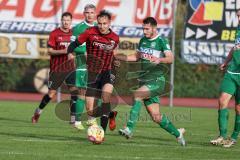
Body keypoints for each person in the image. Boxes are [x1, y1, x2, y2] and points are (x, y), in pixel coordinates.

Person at [115, 17, 186, 146]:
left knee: (137, 94)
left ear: (154, 28)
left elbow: (170, 58)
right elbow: (136, 57)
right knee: (156, 117)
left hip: (157, 80)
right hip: (145, 82)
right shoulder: (143, 40)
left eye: (147, 29)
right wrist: (117, 56)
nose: (144, 31)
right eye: (143, 28)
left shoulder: (161, 41)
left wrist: (160, 60)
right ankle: (178, 133)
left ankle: (129, 128)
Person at [67, 10, 119, 132]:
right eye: (100, 23)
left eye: (104, 23)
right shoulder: (90, 33)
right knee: (90, 111)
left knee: (105, 98)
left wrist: (116, 61)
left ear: (109, 23)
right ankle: (110, 114)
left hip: (107, 72)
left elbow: (114, 53)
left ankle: (102, 132)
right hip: (92, 73)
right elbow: (74, 44)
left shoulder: (115, 38)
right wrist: (69, 52)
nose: (102, 26)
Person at [31, 12, 78, 124]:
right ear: (61, 21)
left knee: (75, 92)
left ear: (71, 21)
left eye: (68, 20)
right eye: (64, 20)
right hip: (57, 69)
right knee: (51, 94)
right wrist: (65, 51)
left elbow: (78, 48)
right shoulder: (54, 33)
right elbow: (50, 51)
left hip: (70, 68)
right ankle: (38, 112)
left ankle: (73, 119)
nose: (66, 22)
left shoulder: (74, 34)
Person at [210, 10, 240, 148]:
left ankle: (233, 137)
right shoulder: (238, 30)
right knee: (222, 101)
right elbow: (235, 49)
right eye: (238, 16)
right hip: (232, 72)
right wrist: (226, 61)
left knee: (238, 108)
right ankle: (222, 135)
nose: (239, 18)